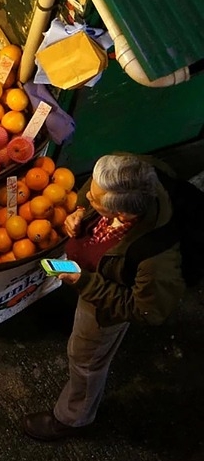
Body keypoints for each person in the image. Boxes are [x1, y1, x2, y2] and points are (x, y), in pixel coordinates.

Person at [22, 154, 185, 441]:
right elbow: (91, 191)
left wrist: (84, 282)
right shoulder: (132, 172)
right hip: (92, 273)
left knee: (86, 359)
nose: (87, 197)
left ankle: (74, 418)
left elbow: (144, 309)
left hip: (102, 306)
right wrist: (81, 211)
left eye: (95, 202)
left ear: (121, 215)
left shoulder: (156, 260)